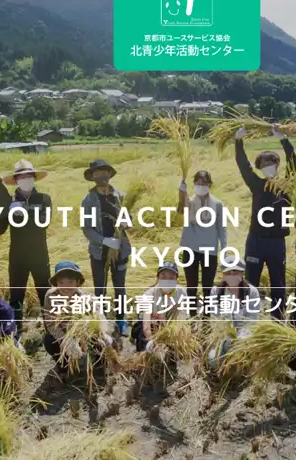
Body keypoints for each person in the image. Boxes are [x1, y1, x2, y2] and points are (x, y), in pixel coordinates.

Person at [234, 124, 296, 319]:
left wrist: (283, 140)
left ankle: (277, 319)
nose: (267, 166)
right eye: (263, 164)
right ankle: (247, 318)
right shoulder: (256, 184)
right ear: (260, 168)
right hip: (256, 240)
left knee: (278, 282)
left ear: (277, 165)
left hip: (277, 242)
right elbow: (243, 165)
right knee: (250, 280)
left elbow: (293, 162)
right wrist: (238, 141)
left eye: (271, 163)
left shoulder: (286, 186)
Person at [0, 159, 52, 336]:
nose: (25, 179)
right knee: (16, 296)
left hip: (39, 255)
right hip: (17, 256)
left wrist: (24, 211)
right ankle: (16, 333)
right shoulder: (8, 202)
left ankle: (52, 331)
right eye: (21, 176)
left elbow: (44, 222)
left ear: (34, 177)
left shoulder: (44, 199)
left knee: (45, 293)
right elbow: (0, 229)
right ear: (15, 180)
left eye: (29, 175)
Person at [81, 159, 131, 337]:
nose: (102, 175)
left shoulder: (121, 196)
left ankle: (121, 320)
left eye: (105, 172)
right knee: (100, 288)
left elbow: (130, 221)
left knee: (120, 287)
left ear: (110, 174)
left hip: (120, 250)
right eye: (97, 172)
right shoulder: (88, 200)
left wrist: (127, 223)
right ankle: (101, 321)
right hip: (98, 252)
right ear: (93, 176)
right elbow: (87, 229)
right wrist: (104, 240)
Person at [41, 261, 113, 375]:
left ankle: (99, 365)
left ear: (78, 282)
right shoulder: (50, 296)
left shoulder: (88, 298)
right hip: (64, 333)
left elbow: (100, 317)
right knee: (49, 340)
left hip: (84, 334)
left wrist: (104, 333)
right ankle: (64, 365)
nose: (66, 287)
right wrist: (65, 341)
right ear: (56, 284)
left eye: (70, 282)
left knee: (101, 340)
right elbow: (51, 324)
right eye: (61, 282)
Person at [177, 170, 227, 317]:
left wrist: (224, 248)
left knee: (207, 286)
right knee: (191, 286)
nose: (201, 186)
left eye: (204, 183)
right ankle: (192, 316)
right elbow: (181, 207)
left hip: (209, 250)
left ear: (210, 184)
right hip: (190, 249)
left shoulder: (217, 204)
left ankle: (206, 318)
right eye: (198, 183)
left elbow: (221, 227)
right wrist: (181, 190)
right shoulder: (190, 202)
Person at [206, 263, 261, 369]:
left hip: (245, 337)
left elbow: (252, 321)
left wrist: (240, 340)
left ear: (242, 273)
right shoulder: (216, 291)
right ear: (223, 275)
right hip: (223, 336)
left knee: (244, 361)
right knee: (213, 361)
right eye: (228, 273)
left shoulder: (251, 292)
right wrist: (228, 338)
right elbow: (216, 318)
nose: (232, 276)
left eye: (235, 272)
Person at [132, 262, 189, 353]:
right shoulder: (150, 294)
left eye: (171, 277)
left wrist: (178, 336)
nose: (167, 281)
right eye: (163, 277)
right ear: (158, 278)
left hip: (168, 326)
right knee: (145, 344)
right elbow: (146, 324)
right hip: (151, 325)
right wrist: (150, 340)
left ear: (176, 278)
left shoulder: (181, 292)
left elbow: (182, 319)